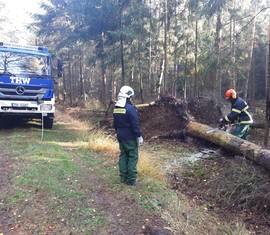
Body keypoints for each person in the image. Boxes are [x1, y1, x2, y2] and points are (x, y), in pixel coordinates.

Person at [113, 85, 143, 186]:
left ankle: (123, 178)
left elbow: (115, 124)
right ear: (128, 97)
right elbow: (135, 125)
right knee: (132, 157)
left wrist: (119, 133)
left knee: (123, 156)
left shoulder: (116, 108)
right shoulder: (130, 109)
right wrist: (139, 136)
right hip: (130, 138)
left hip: (120, 136)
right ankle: (131, 179)